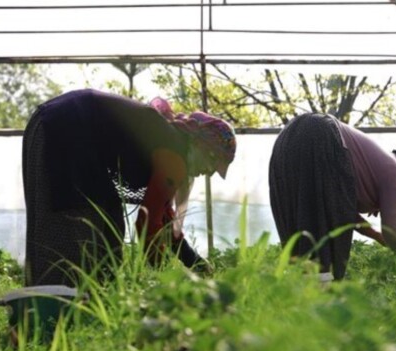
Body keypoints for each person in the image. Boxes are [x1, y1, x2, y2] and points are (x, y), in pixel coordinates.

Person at [22, 89, 236, 286]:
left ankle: (87, 304)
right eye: (212, 163)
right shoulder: (174, 156)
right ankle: (54, 309)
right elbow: (147, 225)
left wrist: (196, 265)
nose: (209, 173)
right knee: (75, 223)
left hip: (64, 126)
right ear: (201, 146)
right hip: (64, 129)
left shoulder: (171, 143)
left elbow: (164, 221)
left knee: (108, 228)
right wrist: (165, 282)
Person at [268, 113, 396, 281]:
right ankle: (320, 296)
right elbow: (394, 230)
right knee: (325, 251)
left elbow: (342, 210)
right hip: (324, 137)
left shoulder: (376, 166)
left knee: (300, 222)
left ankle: (298, 293)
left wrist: (375, 236)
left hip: (286, 139)